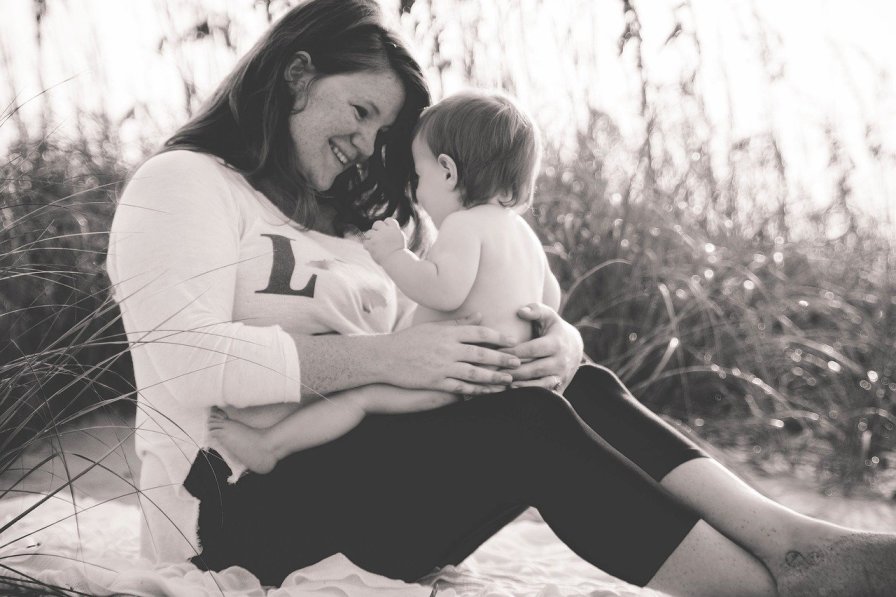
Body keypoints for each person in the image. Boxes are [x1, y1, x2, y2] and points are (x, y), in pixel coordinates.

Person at [106, 0, 896, 595]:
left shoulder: (365, 226)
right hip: (234, 517)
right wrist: (390, 356)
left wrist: (556, 342)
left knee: (575, 386)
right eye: (361, 112)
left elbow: (460, 315)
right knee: (521, 420)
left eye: (387, 133)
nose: (367, 146)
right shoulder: (184, 185)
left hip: (377, 503)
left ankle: (792, 544)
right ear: (296, 74)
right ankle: (761, 588)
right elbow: (183, 359)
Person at [205, 90, 560, 476]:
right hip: (501, 382)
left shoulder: (464, 224)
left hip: (452, 384)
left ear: (448, 171)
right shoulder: (523, 235)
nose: (420, 195)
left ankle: (268, 446)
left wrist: (394, 255)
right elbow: (549, 301)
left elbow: (443, 290)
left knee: (360, 398)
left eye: (420, 177)